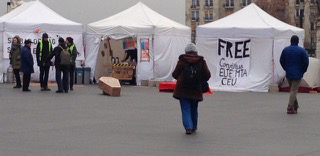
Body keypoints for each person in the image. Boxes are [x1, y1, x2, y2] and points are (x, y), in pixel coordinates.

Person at [172, 43, 211, 135]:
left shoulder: (182, 60)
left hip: (183, 90)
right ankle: (194, 127)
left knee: (185, 108)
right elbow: (207, 75)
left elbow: (174, 74)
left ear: (186, 52)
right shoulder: (201, 61)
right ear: (196, 52)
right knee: (194, 108)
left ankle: (188, 127)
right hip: (196, 89)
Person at [280, 35, 309, 114]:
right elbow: (306, 61)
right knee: (293, 90)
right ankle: (290, 107)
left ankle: (295, 106)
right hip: (298, 73)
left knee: (292, 90)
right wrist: (303, 70)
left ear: (290, 41)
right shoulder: (302, 51)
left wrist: (286, 68)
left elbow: (281, 61)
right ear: (298, 41)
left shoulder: (285, 50)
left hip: (289, 73)